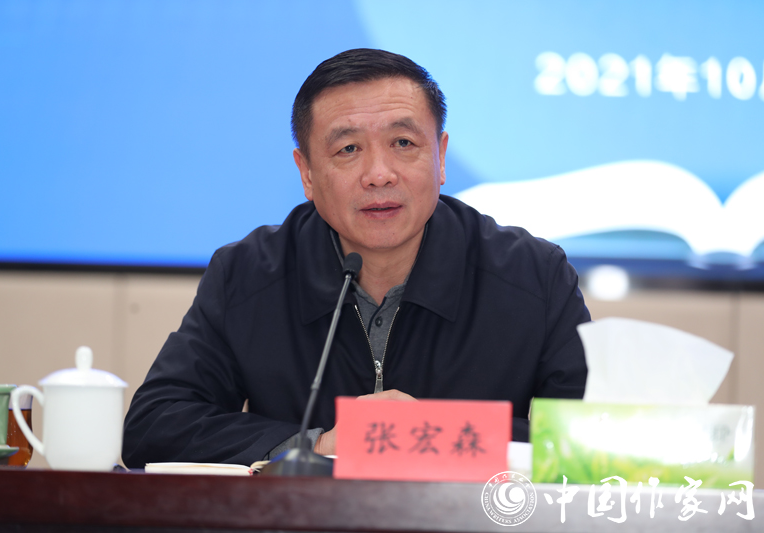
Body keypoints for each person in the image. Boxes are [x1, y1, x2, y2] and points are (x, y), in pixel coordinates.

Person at [122, 48, 590, 468]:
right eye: (348, 149)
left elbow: (596, 445)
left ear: (441, 157)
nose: (379, 174)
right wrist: (317, 445)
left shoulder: (534, 276)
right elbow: (153, 427)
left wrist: (435, 436)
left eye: (403, 143)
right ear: (307, 173)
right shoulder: (247, 275)